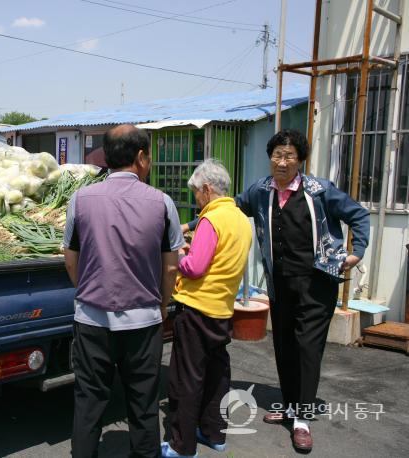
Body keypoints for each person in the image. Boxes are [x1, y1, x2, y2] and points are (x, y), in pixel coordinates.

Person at [184, 130, 370, 452]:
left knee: (307, 349)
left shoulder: (319, 190)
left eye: (289, 156)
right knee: (283, 345)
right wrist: (188, 226)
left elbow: (358, 214)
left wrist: (357, 252)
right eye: (277, 155)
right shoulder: (260, 191)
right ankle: (289, 405)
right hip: (280, 284)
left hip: (316, 284)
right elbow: (227, 206)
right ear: (270, 157)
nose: (282, 162)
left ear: (300, 160)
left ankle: (302, 419)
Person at [63, 124, 182, 458]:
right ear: (141, 157)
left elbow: (70, 259)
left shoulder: (80, 199)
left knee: (89, 402)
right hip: (143, 321)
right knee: (143, 405)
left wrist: (86, 290)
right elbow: (171, 266)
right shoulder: (162, 203)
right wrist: (162, 304)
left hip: (91, 320)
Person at [161, 159, 252, 458]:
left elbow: (196, 267)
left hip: (197, 309)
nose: (195, 199)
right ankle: (214, 433)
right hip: (222, 309)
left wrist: (178, 256)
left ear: (208, 189)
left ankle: (181, 445)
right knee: (216, 376)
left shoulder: (212, 220)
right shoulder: (240, 219)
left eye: (196, 193)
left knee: (187, 379)